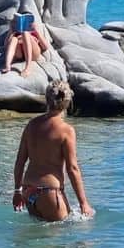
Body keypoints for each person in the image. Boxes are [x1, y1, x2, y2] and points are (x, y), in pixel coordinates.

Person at [12, 80, 95, 221]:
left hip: (28, 191)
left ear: (47, 100)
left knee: (36, 239)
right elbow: (72, 168)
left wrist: (17, 191)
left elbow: (20, 162)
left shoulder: (31, 125)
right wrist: (83, 203)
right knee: (61, 239)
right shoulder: (66, 130)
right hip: (49, 193)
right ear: (67, 103)